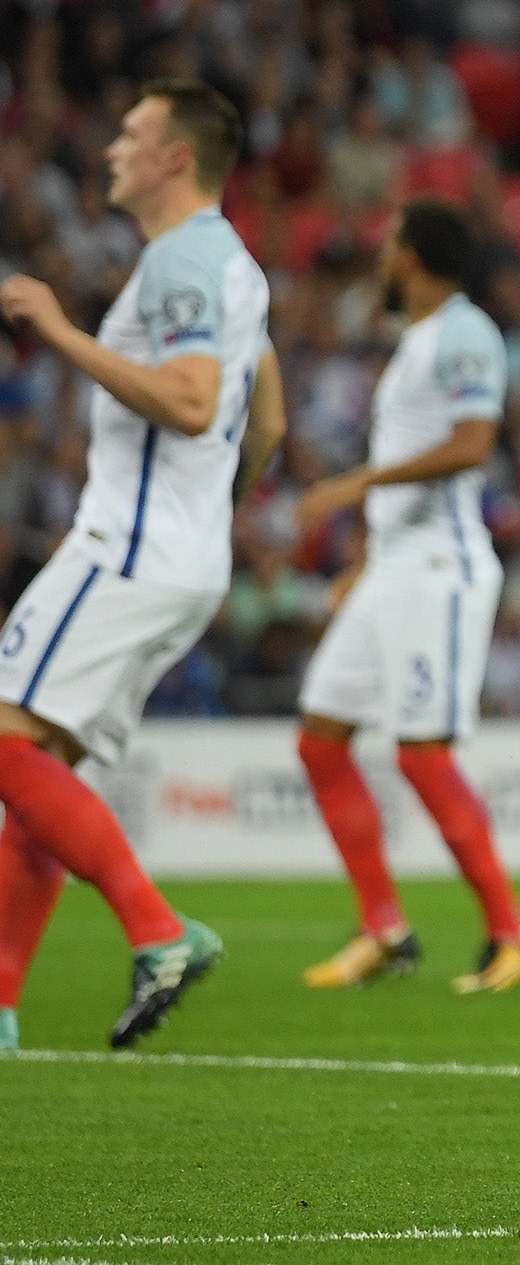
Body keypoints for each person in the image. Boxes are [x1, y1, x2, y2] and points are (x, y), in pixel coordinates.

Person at [0, 80, 282, 1051]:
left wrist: (62, 332)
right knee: (43, 770)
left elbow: (197, 402)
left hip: (127, 545)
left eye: (131, 133)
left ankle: (157, 928)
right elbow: (268, 417)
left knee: (4, 744)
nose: (113, 147)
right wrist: (207, 519)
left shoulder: (182, 261)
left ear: (175, 158)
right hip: (182, 554)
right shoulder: (239, 270)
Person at [293, 200, 520, 994]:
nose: (381, 256)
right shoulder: (416, 341)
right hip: (396, 567)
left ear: (411, 257)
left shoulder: (465, 333)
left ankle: (512, 934)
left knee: (422, 756)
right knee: (321, 740)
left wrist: (354, 485)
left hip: (441, 569)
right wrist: (365, 563)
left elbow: (472, 445)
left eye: (390, 243)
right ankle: (384, 930)